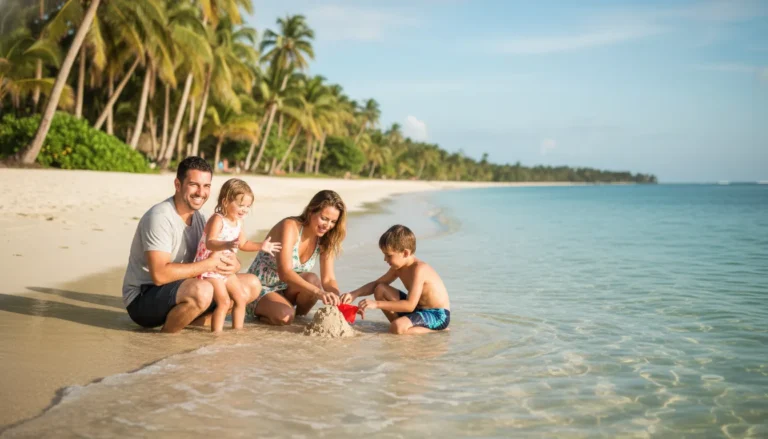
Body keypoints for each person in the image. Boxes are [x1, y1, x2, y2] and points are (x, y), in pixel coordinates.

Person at [122, 156, 262, 332]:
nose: (200, 192)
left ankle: (191, 323)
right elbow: (159, 275)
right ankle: (163, 342)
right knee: (202, 291)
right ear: (178, 185)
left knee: (251, 285)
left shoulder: (201, 218)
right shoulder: (160, 218)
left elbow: (213, 252)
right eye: (194, 184)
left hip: (187, 285)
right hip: (144, 297)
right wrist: (207, 265)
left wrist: (234, 265)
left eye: (206, 186)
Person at [246, 190, 347, 325]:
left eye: (333, 221)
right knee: (285, 317)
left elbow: (328, 279)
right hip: (260, 288)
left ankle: (298, 321)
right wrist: (319, 293)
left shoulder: (325, 238)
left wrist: (339, 302)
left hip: (287, 289)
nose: (327, 226)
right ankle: (265, 316)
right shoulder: (290, 226)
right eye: (324, 218)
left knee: (313, 280)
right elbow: (285, 272)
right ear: (311, 211)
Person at [193, 178, 281, 332]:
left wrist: (262, 246)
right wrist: (226, 244)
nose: (244, 210)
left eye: (248, 206)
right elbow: (210, 242)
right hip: (210, 269)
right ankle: (216, 335)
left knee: (241, 297)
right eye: (241, 205)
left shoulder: (238, 222)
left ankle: (237, 332)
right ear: (226, 202)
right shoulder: (218, 219)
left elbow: (244, 244)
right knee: (224, 302)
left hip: (225, 269)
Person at [341, 225, 451, 335]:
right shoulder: (398, 268)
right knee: (380, 289)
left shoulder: (419, 269)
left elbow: (409, 305)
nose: (385, 259)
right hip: (418, 309)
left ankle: (435, 330)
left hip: (437, 314)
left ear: (405, 253)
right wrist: (354, 294)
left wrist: (377, 304)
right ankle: (399, 326)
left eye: (389, 255)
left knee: (397, 327)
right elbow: (376, 284)